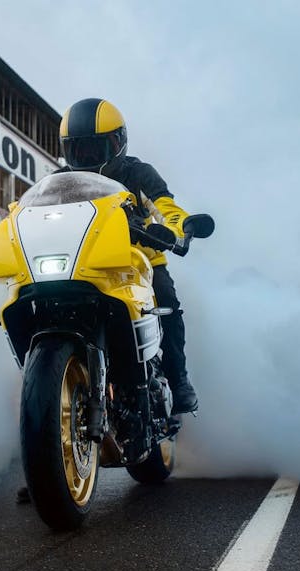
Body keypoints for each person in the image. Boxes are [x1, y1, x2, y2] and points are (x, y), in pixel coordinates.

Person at [58, 97, 198, 416]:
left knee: (169, 306)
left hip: (139, 262)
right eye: (79, 149)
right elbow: (32, 210)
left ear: (117, 143)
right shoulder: (60, 181)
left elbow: (167, 208)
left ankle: (178, 381)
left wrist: (172, 231)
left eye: (97, 148)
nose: (88, 157)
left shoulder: (138, 174)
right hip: (83, 264)